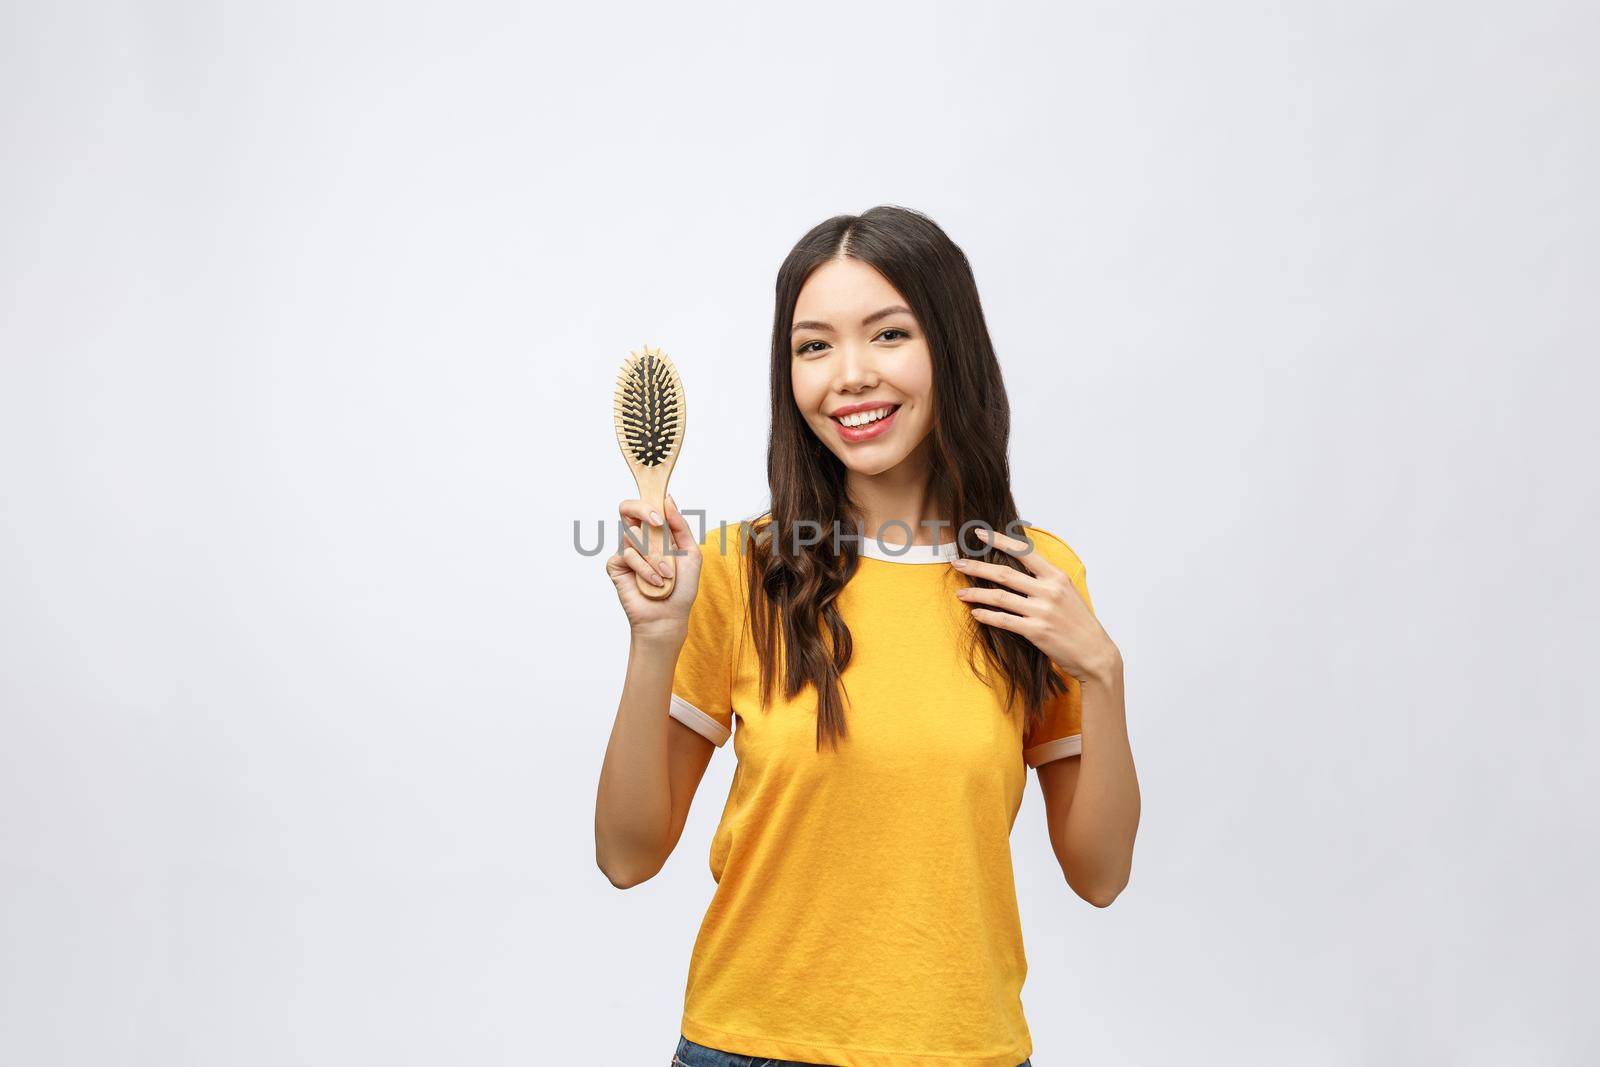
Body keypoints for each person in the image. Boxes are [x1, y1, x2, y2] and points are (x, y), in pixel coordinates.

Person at [595, 205, 1141, 1067]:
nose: (849, 375)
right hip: (750, 1049)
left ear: (950, 346)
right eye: (813, 346)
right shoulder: (740, 567)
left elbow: (1101, 875)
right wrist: (655, 641)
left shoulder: (1034, 577)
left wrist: (1102, 672)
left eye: (887, 334)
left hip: (966, 1053)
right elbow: (626, 856)